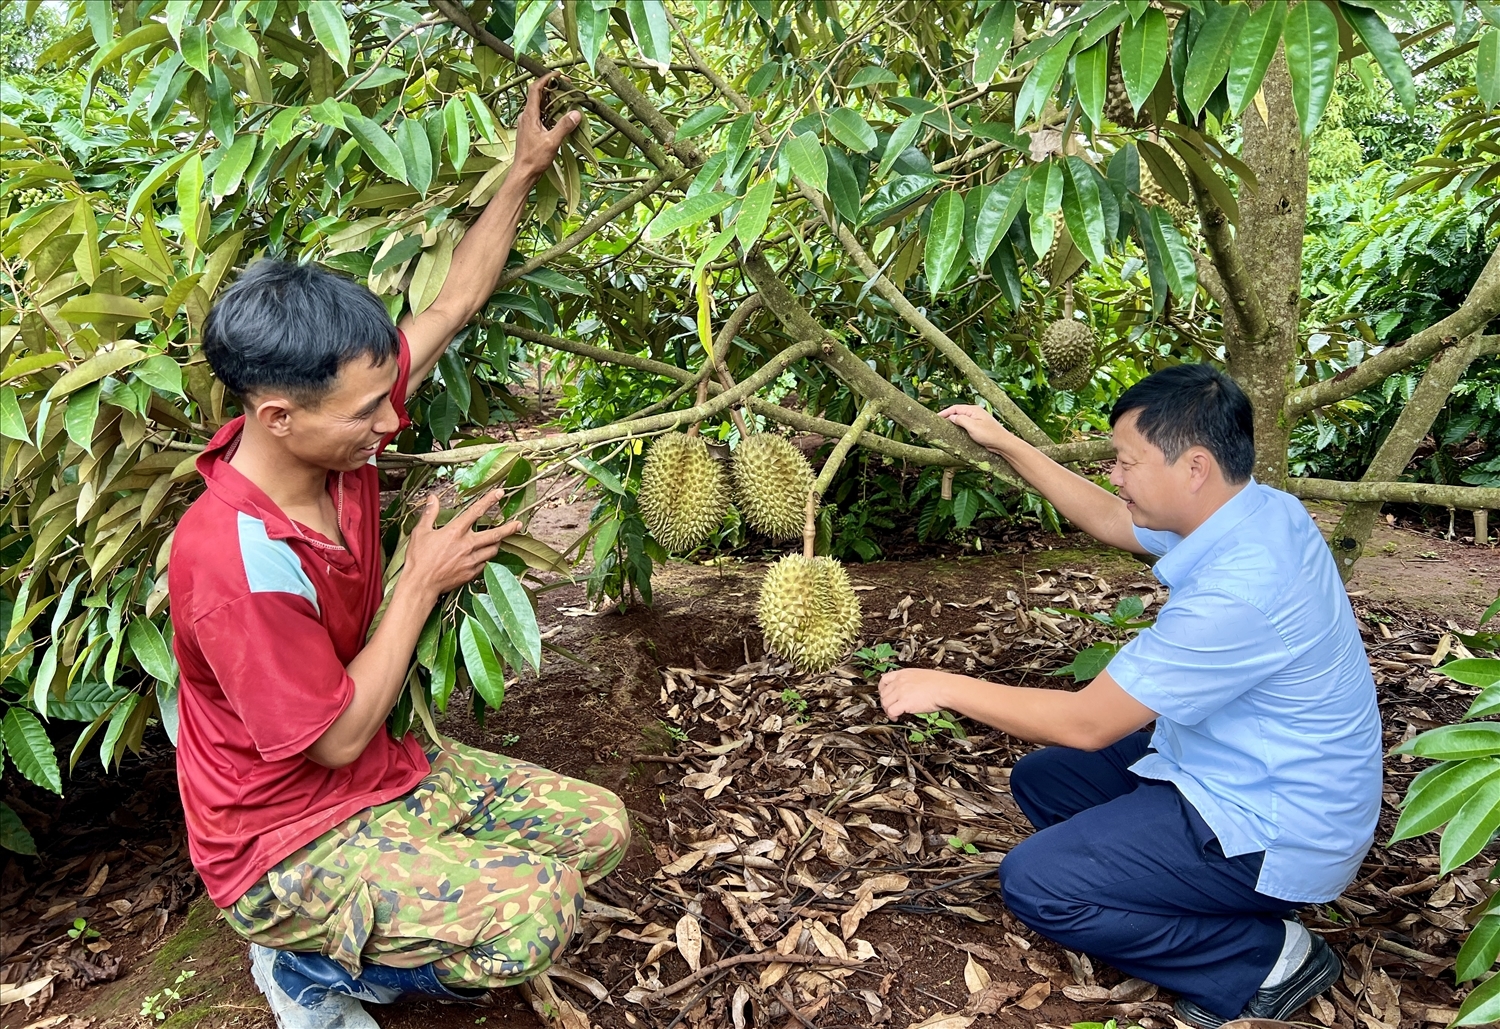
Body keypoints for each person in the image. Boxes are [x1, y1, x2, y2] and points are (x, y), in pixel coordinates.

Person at [168, 75, 628, 1029]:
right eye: (368, 409)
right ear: (278, 416)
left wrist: (522, 172)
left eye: (387, 393)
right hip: (279, 838)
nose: (391, 422)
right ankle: (309, 970)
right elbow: (332, 738)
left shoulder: (332, 434)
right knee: (529, 914)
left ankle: (377, 911)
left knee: (599, 830)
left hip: (378, 769)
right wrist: (419, 580)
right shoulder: (233, 559)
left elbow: (453, 301)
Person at [878, 365, 1380, 1029]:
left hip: (1278, 821)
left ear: (1194, 466)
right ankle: (1205, 893)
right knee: (1045, 781)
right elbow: (1113, 518)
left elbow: (1087, 721)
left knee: (1036, 882)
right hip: (1247, 764)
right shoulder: (1253, 509)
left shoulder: (1241, 589)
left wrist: (942, 684)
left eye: (1125, 460)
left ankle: (1266, 956)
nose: (1114, 473)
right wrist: (1006, 443)